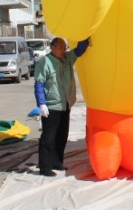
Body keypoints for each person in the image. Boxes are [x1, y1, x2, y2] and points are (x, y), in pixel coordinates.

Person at [34, 37, 89, 177]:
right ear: (52, 48)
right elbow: (39, 84)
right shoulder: (44, 62)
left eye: (65, 48)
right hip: (52, 106)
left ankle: (57, 162)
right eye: (60, 48)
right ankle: (45, 167)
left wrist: (85, 34)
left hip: (65, 104)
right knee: (48, 137)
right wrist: (41, 103)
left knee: (62, 136)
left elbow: (80, 49)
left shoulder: (67, 59)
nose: (64, 51)